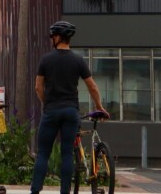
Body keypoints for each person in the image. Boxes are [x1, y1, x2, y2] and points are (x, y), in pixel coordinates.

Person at [30, 21, 108, 194]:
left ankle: (35, 191)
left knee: (43, 152)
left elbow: (38, 87)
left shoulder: (46, 59)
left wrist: (47, 102)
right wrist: (99, 106)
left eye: (52, 36)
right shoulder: (78, 60)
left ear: (57, 37)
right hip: (71, 111)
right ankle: (65, 192)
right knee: (67, 153)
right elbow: (92, 86)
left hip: (51, 111)